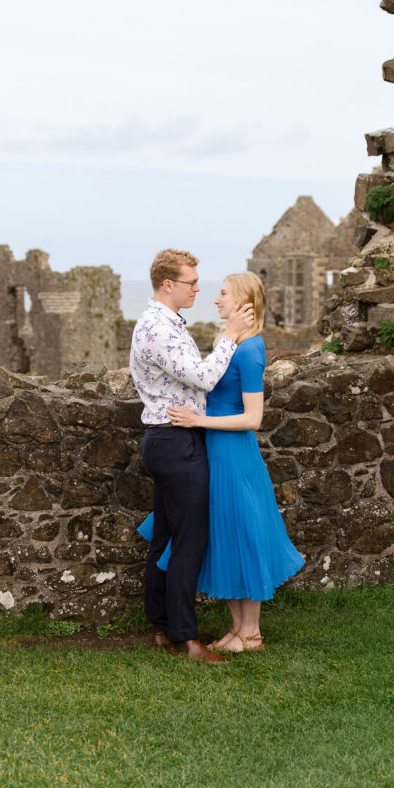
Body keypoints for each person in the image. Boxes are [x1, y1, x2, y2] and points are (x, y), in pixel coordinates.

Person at [144, 271, 305, 653]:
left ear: (243, 303)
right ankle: (237, 629)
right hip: (213, 450)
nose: (215, 300)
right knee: (226, 537)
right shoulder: (228, 342)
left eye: (222, 294)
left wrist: (198, 420)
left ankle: (251, 633)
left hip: (233, 454)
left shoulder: (250, 349)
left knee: (245, 535)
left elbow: (253, 418)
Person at [129, 249, 254, 665]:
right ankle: (186, 639)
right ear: (168, 285)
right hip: (174, 443)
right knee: (188, 543)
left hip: (169, 440)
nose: (198, 289)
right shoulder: (157, 328)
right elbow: (202, 376)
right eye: (191, 283)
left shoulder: (165, 323)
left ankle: (163, 627)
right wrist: (229, 337)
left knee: (165, 539)